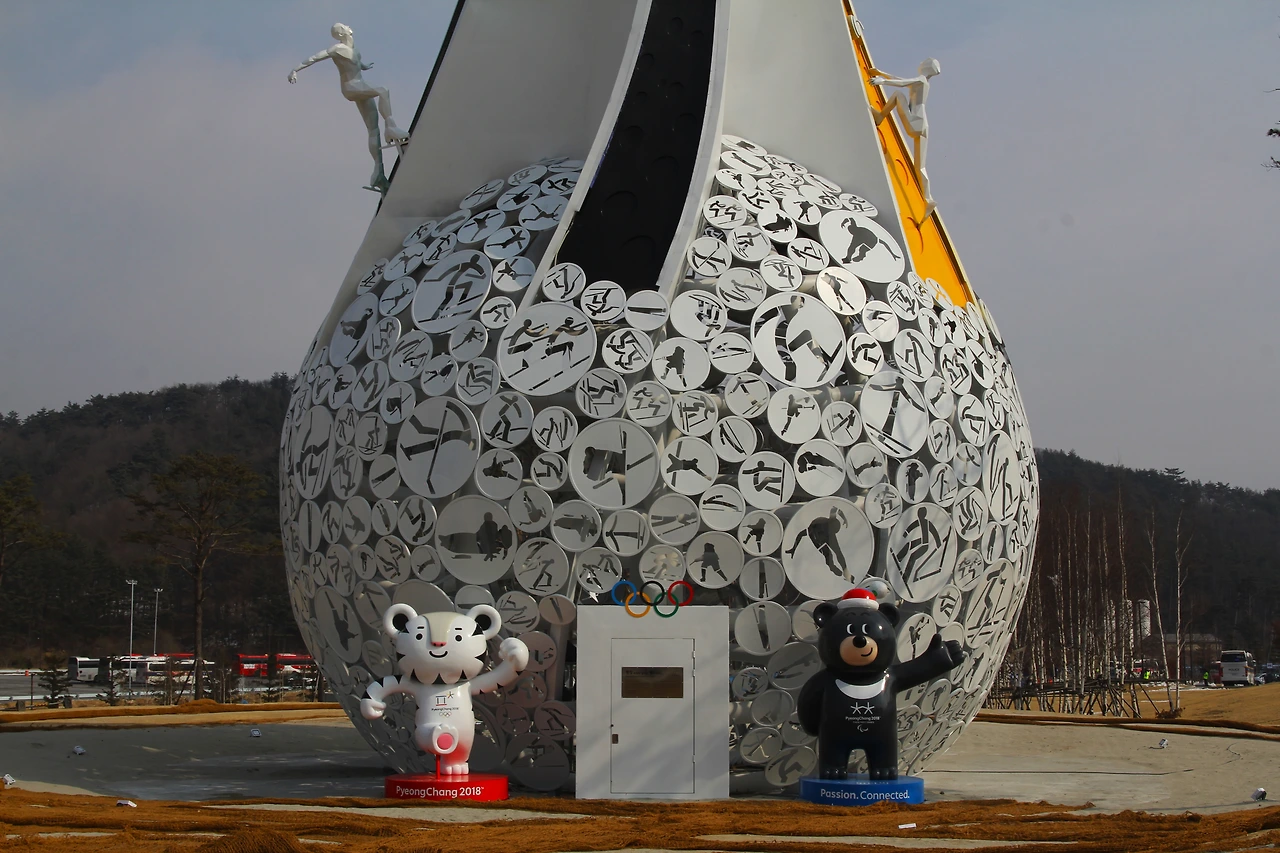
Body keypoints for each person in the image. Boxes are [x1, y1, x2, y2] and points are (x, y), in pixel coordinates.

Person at [289, 24, 410, 192]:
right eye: (343, 27)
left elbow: (355, 64)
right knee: (383, 90)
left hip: (360, 84)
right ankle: (391, 127)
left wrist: (364, 66)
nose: (347, 27)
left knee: (373, 128)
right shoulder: (337, 49)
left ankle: (378, 171)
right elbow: (314, 58)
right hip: (351, 87)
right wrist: (295, 70)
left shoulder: (354, 49)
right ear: (340, 33)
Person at [869, 58, 941, 217]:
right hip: (922, 124)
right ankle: (928, 199)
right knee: (920, 166)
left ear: (926, 67)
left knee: (897, 95)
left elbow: (902, 84)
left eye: (924, 62)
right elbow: (902, 80)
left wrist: (882, 81)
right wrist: (881, 73)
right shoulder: (923, 82)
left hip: (916, 121)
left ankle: (880, 117)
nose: (920, 62)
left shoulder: (921, 80)